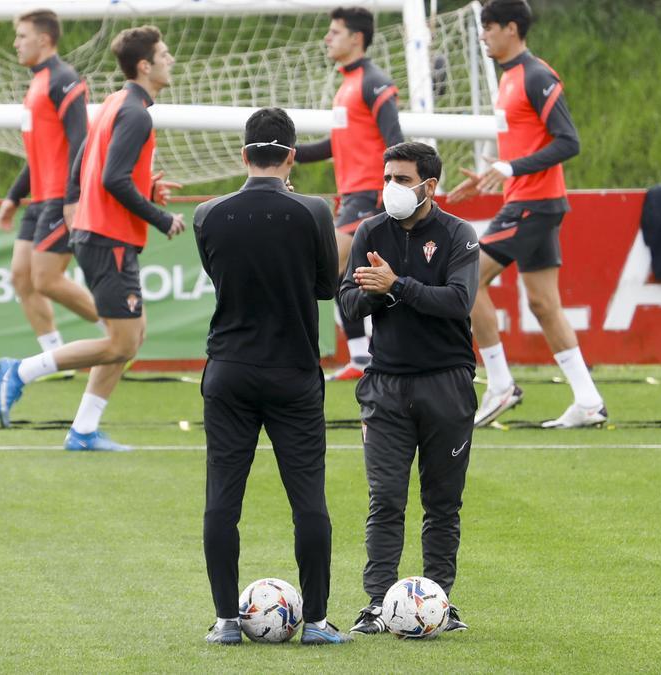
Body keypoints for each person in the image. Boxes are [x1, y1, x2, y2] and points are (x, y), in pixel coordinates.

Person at [194, 108, 348, 645]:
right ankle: (319, 622)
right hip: (293, 372)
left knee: (222, 499)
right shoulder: (313, 211)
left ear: (244, 156)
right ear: (291, 156)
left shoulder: (208, 213)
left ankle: (225, 621)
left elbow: (218, 274)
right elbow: (329, 286)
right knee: (308, 500)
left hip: (229, 370)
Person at [0, 26, 185, 450]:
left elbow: (86, 160)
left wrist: (138, 191)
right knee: (121, 340)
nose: (171, 60)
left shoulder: (116, 102)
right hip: (107, 238)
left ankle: (83, 429)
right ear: (145, 65)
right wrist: (160, 216)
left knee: (131, 338)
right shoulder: (135, 112)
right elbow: (113, 177)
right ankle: (21, 371)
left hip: (101, 234)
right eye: (165, 54)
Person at [447, 0, 605, 429]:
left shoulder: (536, 75)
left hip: (534, 203)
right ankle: (588, 401)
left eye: (489, 27)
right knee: (543, 303)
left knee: (465, 275)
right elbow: (523, 146)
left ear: (512, 29)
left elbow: (568, 142)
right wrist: (489, 175)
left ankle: (499, 384)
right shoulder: (508, 80)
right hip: (527, 200)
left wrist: (511, 169)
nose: (482, 36)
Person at [339, 142, 476, 635]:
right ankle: (377, 603)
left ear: (429, 185)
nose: (390, 187)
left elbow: (458, 301)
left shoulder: (459, 235)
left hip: (448, 383)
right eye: (387, 177)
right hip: (386, 386)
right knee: (386, 499)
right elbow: (349, 302)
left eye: (401, 179)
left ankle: (440, 601)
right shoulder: (371, 231)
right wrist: (376, 292)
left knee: (442, 502)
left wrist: (395, 285)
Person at [295, 6, 404, 381]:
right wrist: (289, 151)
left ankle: (366, 355)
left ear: (356, 38)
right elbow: (337, 143)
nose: (328, 38)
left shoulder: (373, 82)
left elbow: (396, 142)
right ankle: (362, 359)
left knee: (320, 266)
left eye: (335, 32)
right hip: (352, 197)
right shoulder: (347, 84)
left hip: (370, 196)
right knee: (345, 276)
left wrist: (394, 189)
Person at [0, 9, 103, 363]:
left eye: (22, 36)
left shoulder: (64, 79)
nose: (16, 43)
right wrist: (14, 195)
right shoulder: (37, 82)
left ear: (44, 39)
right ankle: (54, 358)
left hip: (63, 197)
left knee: (44, 279)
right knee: (20, 277)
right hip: (40, 199)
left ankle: (119, 335)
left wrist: (73, 197)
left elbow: (80, 141)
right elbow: (41, 152)